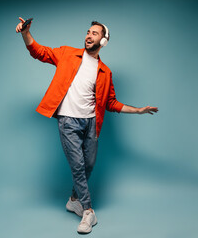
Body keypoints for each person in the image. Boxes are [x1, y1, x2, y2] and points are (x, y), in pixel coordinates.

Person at [15, 17, 158, 234]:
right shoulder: (67, 54)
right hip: (68, 121)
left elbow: (110, 102)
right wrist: (26, 33)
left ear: (104, 40)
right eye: (88, 32)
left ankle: (74, 200)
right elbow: (39, 52)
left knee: (88, 164)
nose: (89, 35)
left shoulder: (105, 72)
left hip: (91, 123)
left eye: (94, 33)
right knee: (78, 167)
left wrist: (138, 110)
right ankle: (88, 212)